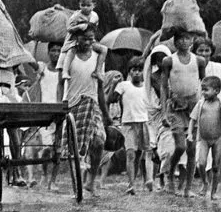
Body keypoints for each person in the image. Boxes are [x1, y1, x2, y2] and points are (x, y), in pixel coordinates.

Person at [60, 22, 110, 195]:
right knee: (74, 145)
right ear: (76, 39)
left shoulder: (98, 57)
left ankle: (92, 180)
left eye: (91, 39)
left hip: (92, 102)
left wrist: (106, 113)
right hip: (72, 103)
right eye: (84, 39)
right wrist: (60, 105)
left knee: (99, 142)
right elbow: (61, 82)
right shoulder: (69, 55)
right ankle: (78, 178)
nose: (88, 42)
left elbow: (100, 86)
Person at [160, 29, 207, 196]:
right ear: (175, 42)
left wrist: (205, 105)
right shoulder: (169, 61)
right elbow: (164, 86)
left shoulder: (199, 61)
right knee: (180, 146)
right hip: (176, 106)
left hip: (193, 107)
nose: (183, 42)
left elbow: (204, 82)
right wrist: (164, 110)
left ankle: (188, 187)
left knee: (192, 148)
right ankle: (170, 174)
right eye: (179, 39)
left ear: (192, 41)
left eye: (186, 38)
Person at [23, 41, 63, 189]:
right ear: (49, 52)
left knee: (58, 149)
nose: (56, 54)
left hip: (59, 112)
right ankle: (45, 175)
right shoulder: (43, 68)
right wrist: (33, 44)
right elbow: (31, 62)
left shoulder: (64, 70)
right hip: (44, 113)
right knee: (46, 148)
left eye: (59, 50)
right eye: (53, 50)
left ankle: (52, 181)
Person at [112, 58, 155, 195]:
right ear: (129, 71)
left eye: (139, 70)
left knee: (140, 154)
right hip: (128, 123)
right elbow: (111, 99)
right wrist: (114, 85)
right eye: (134, 70)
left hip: (144, 122)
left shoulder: (147, 87)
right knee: (130, 153)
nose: (137, 73)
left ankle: (142, 180)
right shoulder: (123, 85)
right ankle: (130, 184)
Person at [189, 75, 221, 200]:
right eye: (202, 89)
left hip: (217, 139)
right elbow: (192, 119)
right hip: (204, 139)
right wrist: (190, 133)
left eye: (206, 90)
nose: (203, 92)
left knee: (216, 166)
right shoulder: (201, 104)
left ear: (216, 91)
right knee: (201, 163)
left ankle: (214, 192)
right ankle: (205, 182)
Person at [56, 0, 101, 73]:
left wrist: (90, 31)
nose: (85, 8)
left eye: (88, 5)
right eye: (83, 5)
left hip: (89, 39)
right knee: (68, 51)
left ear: (94, 5)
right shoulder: (76, 16)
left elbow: (94, 27)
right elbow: (69, 28)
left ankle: (98, 71)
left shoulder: (95, 15)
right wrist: (78, 27)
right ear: (79, 4)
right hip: (75, 39)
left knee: (103, 50)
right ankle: (63, 69)